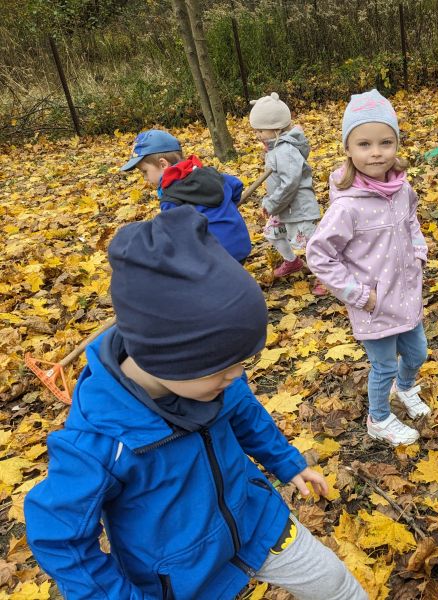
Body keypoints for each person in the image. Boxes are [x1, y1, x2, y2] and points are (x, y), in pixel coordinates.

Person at [24, 206, 366, 600]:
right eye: (224, 367)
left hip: (257, 521)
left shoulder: (215, 381)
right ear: (165, 359)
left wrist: (286, 463)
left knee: (337, 586)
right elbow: (59, 536)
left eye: (243, 362)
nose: (236, 376)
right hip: (182, 578)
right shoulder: (99, 443)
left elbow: (245, 414)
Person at [306, 89, 430, 446]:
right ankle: (379, 418)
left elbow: (411, 223)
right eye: (364, 144)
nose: (376, 152)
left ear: (396, 144)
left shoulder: (403, 189)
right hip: (373, 304)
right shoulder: (347, 207)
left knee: (417, 351)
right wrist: (359, 295)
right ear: (348, 148)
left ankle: (405, 389)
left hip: (406, 294)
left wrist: (418, 253)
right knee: (385, 365)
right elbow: (319, 255)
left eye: (385, 142)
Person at [120, 128, 252, 263]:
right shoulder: (209, 173)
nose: (145, 178)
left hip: (213, 256)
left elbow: (174, 233)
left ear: (163, 164)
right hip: (240, 244)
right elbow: (236, 185)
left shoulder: (171, 198)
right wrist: (229, 206)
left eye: (145, 171)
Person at [249, 93, 326, 295]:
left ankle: (326, 276)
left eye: (260, 130)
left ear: (275, 128)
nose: (257, 134)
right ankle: (292, 261)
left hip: (298, 207)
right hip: (284, 207)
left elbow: (290, 183)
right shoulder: (276, 149)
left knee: (313, 245)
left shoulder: (286, 151)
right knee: (273, 233)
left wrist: (271, 203)